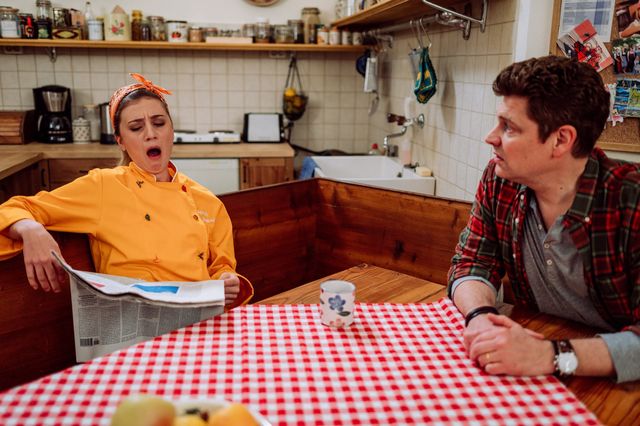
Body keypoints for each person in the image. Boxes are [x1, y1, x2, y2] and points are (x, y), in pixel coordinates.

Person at [448, 56, 640, 383]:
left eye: (509, 127)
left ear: (560, 140)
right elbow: (472, 263)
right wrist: (479, 316)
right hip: (537, 359)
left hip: (613, 383)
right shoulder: (500, 180)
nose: (490, 137)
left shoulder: (630, 199)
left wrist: (551, 357)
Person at [0, 73, 253, 309]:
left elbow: (222, 268)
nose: (151, 134)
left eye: (159, 123)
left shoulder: (207, 202)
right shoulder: (104, 187)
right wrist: (30, 229)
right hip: (132, 321)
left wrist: (227, 280)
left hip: (198, 318)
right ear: (120, 140)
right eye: (136, 127)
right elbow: (11, 210)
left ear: (171, 130)